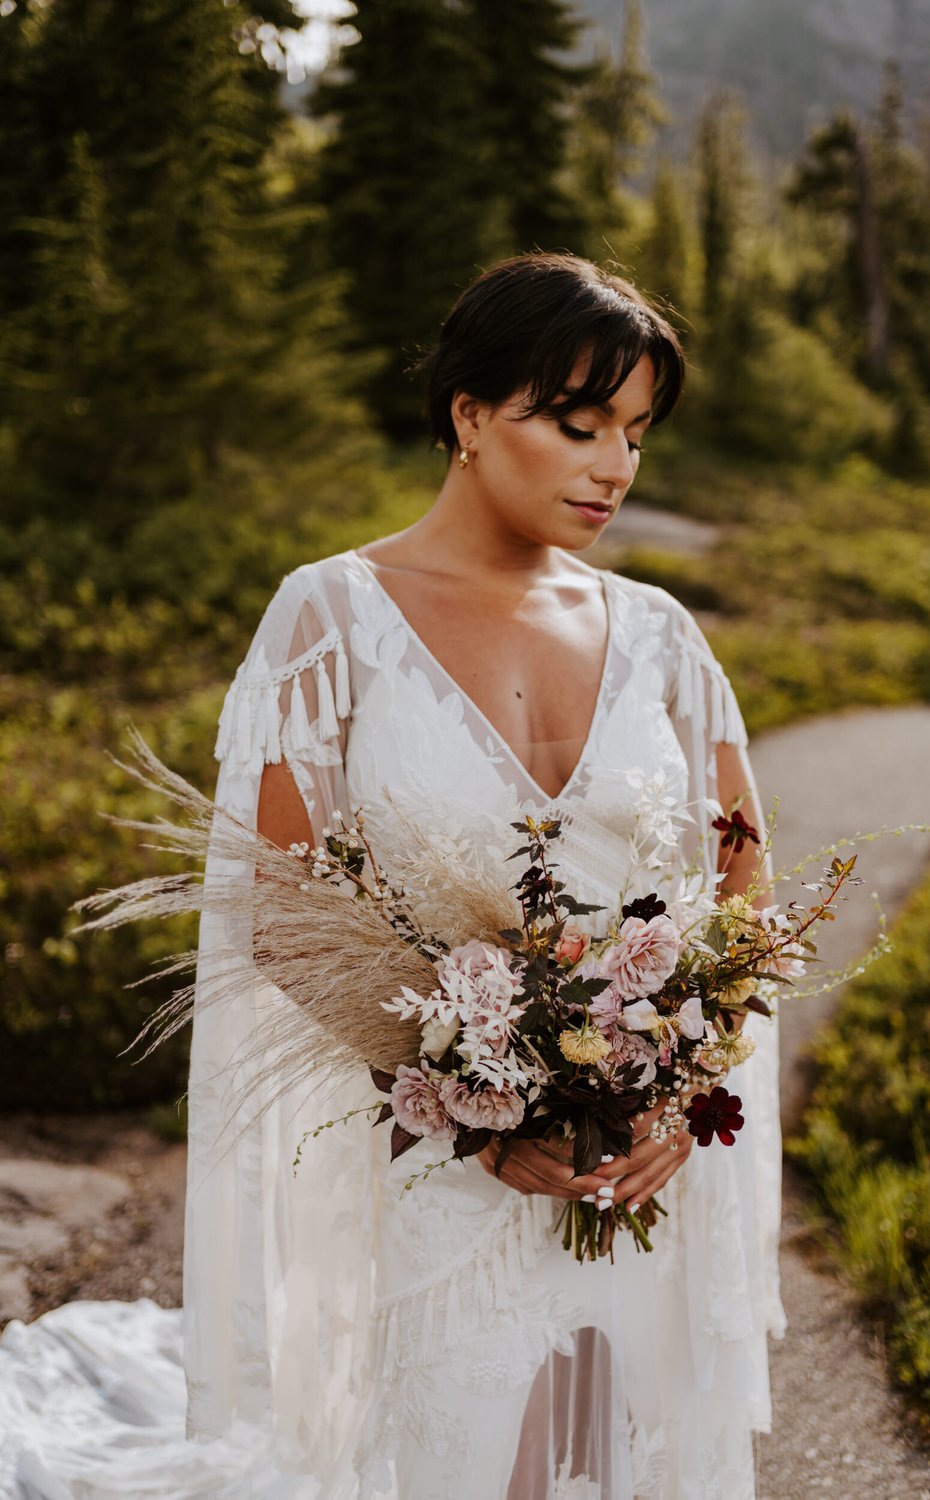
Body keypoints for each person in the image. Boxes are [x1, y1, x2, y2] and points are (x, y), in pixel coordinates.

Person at [0, 252, 783, 1499]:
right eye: (578, 424)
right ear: (469, 415)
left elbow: (744, 898)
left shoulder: (664, 638)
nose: (615, 468)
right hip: (437, 1166)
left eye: (635, 432)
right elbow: (286, 916)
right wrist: (473, 1112)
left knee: (616, 1450)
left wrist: (679, 1087)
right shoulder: (331, 619)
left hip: (637, 1154)